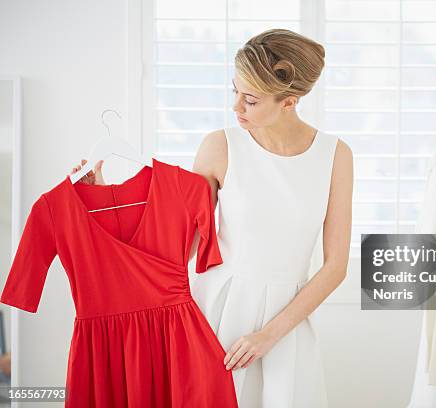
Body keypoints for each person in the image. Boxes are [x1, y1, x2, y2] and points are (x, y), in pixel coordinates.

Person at [71, 28, 353, 407]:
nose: (236, 108)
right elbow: (179, 247)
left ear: (290, 101)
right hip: (217, 312)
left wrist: (269, 335)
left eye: (249, 100)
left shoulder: (335, 155)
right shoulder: (221, 146)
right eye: (234, 91)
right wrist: (105, 198)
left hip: (288, 324)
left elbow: (336, 267)